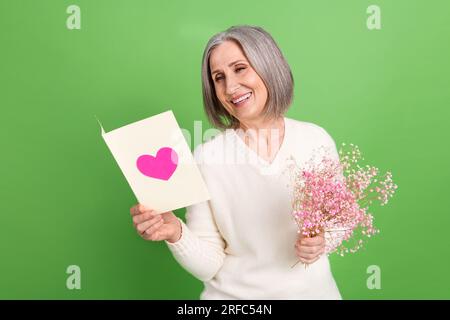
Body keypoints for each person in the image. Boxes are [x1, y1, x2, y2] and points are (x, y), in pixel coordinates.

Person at [130, 25, 342, 299]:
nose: (230, 87)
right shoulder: (207, 158)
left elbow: (340, 221)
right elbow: (209, 265)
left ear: (268, 66)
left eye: (240, 68)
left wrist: (322, 242)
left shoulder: (316, 140)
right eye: (219, 77)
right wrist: (175, 232)